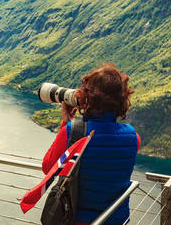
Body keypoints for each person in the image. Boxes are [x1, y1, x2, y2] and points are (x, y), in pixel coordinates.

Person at [42, 63, 140, 225]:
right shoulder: (133, 137)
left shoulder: (74, 132)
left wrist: (66, 124)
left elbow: (48, 168)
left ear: (86, 98)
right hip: (118, 219)